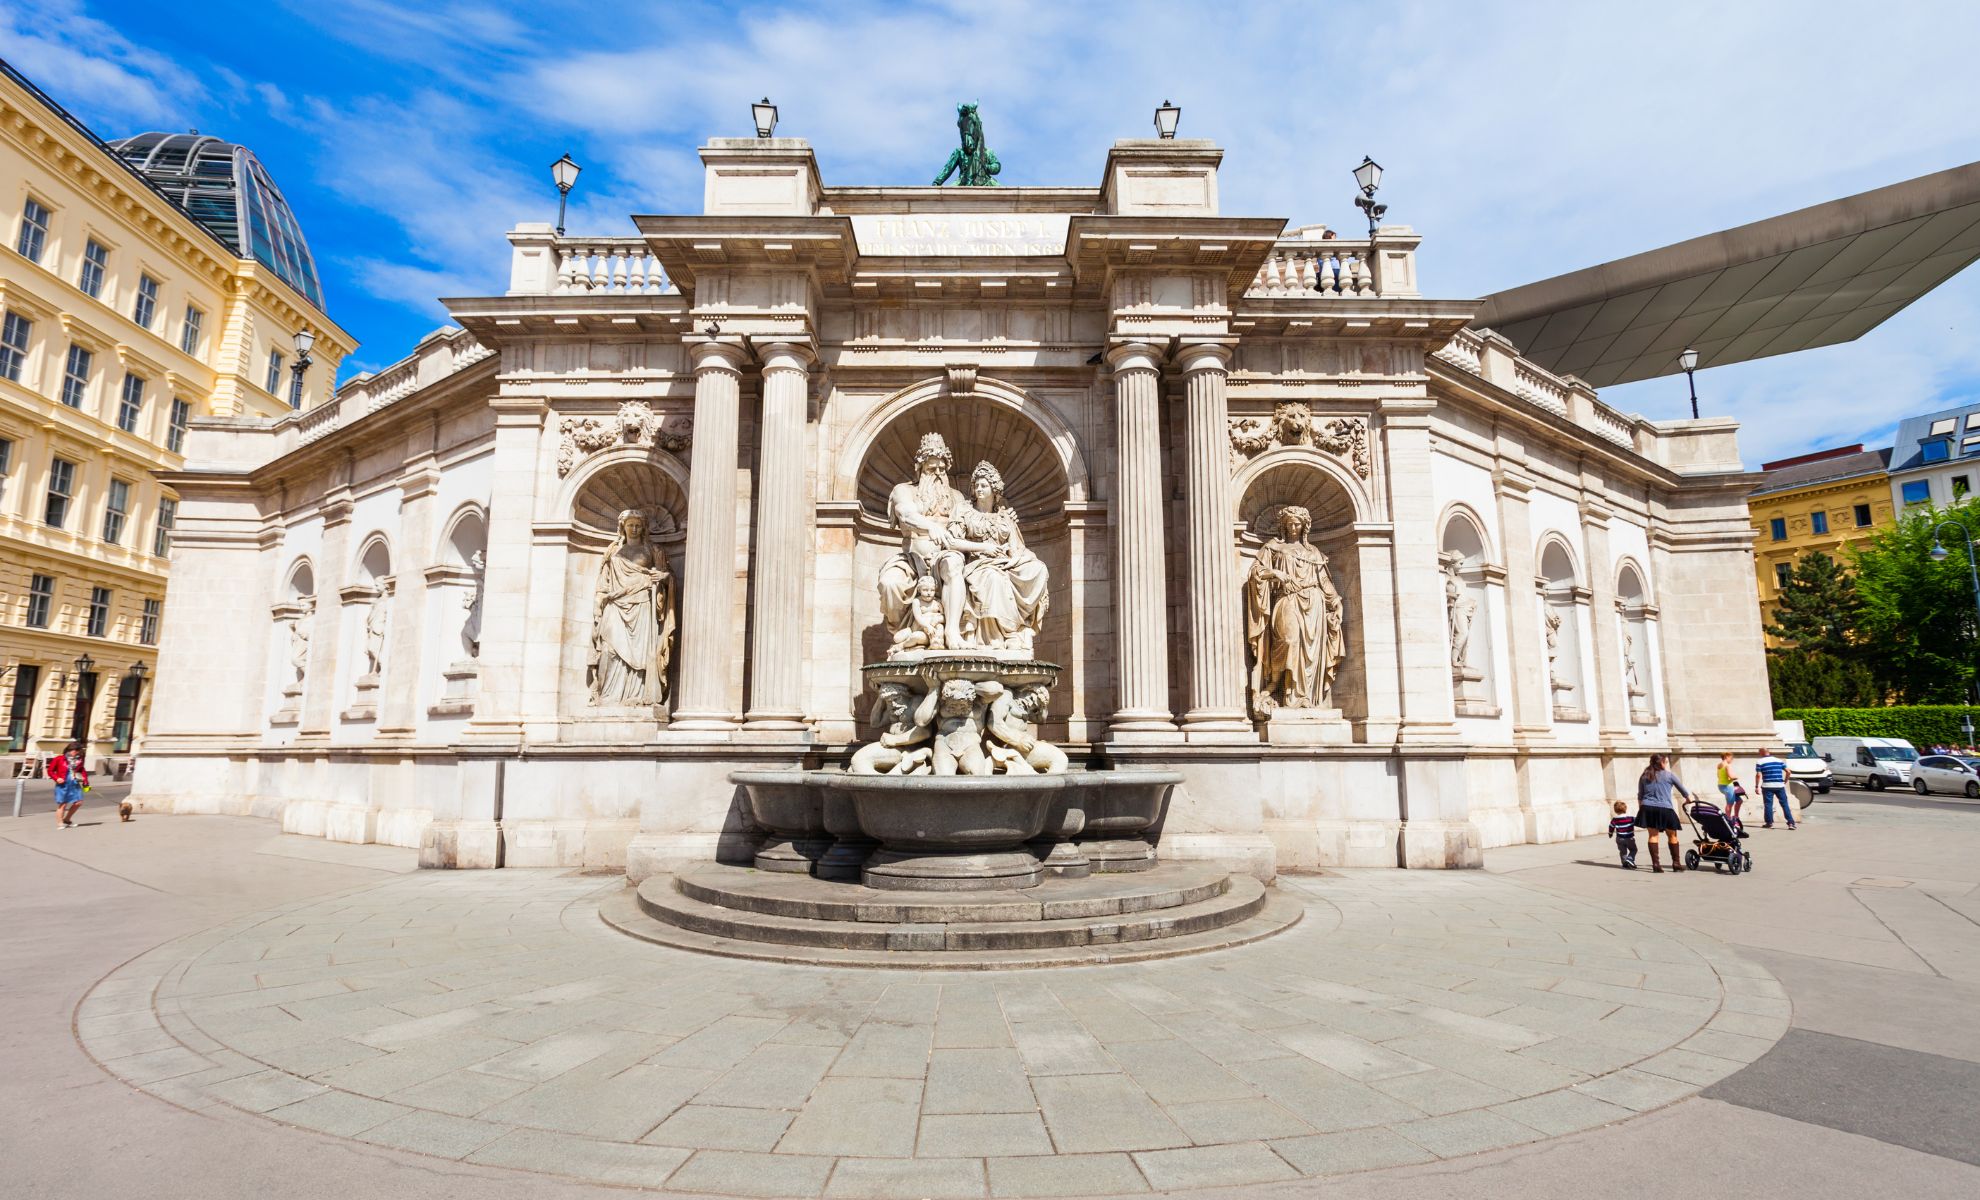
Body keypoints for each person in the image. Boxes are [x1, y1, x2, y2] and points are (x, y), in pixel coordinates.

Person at [1636, 753, 1692, 872]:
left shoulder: (1644, 776)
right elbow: (1682, 789)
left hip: (1648, 808)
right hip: (1665, 808)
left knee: (1653, 836)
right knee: (1672, 835)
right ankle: (1676, 863)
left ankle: (1656, 865)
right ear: (1661, 763)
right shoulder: (1669, 775)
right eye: (1665, 762)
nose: (1666, 764)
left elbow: (1640, 795)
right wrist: (1688, 799)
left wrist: (1642, 809)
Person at [1753, 747, 1797, 830]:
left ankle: (1769, 823)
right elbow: (1788, 771)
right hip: (1780, 786)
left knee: (1768, 805)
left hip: (1767, 786)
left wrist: (1756, 786)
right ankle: (1791, 823)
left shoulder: (1760, 762)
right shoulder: (1779, 760)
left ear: (1762, 753)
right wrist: (1785, 781)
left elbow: (1758, 775)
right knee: (1784, 804)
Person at [49, 742, 89, 829]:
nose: (76, 752)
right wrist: (57, 778)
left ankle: (67, 819)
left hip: (74, 783)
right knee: (63, 804)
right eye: (74, 750)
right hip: (63, 783)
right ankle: (60, 823)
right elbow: (50, 771)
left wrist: (86, 781)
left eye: (77, 751)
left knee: (78, 802)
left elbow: (82, 770)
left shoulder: (79, 760)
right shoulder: (59, 759)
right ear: (69, 750)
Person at [1607, 801, 1637, 869]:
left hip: (1619, 838)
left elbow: (1611, 826)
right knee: (1633, 850)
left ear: (1615, 810)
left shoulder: (1614, 820)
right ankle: (1629, 859)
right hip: (1629, 838)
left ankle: (1624, 863)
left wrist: (1610, 833)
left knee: (1623, 852)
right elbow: (1638, 821)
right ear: (1625, 809)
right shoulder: (1631, 818)